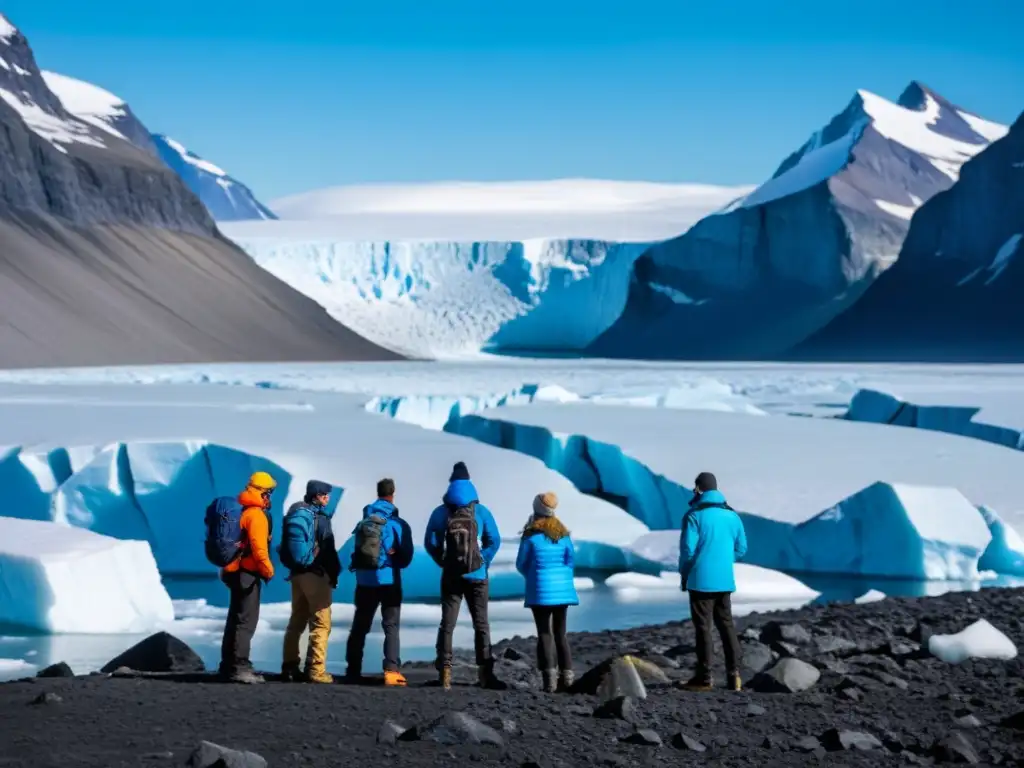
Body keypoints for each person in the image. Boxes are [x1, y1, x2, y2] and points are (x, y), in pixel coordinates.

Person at [424, 461, 505, 690]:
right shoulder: (480, 511)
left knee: (447, 624)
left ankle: (445, 674)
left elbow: (430, 542)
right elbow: (494, 540)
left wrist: (443, 560)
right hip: (478, 575)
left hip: (451, 574)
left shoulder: (440, 512)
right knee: (481, 624)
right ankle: (485, 674)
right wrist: (483, 560)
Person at [678, 471, 748, 692]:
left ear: (699, 488)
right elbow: (742, 549)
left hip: (700, 581)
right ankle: (734, 676)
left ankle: (704, 677)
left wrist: (685, 574)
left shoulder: (694, 516)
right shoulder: (732, 516)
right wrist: (724, 560)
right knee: (726, 626)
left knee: (703, 629)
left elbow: (688, 551)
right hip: (725, 581)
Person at [345, 478, 414, 686]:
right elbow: (406, 557)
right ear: (393, 493)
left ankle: (353, 670)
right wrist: (395, 556)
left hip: (365, 580)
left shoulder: (365, 520)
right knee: (390, 625)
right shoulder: (397, 524)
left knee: (360, 626)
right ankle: (391, 671)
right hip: (388, 580)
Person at [515, 492, 578, 693]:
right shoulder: (564, 535)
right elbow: (570, 562)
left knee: (544, 634)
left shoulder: (531, 536)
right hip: (563, 592)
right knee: (561, 634)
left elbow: (521, 564)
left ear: (536, 510)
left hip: (540, 591)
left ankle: (549, 681)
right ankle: (566, 679)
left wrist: (533, 577)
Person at [280, 480, 342, 684]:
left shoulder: (295, 512)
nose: (327, 497)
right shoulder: (320, 518)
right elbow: (329, 550)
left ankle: (289, 667)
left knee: (296, 621)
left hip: (296, 574)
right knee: (321, 623)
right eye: (324, 494)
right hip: (315, 575)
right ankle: (315, 670)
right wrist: (334, 574)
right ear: (316, 495)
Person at [219, 471, 276, 684]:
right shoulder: (256, 515)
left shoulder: (242, 511)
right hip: (248, 574)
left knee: (234, 619)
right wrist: (268, 570)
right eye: (269, 492)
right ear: (263, 492)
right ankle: (239, 666)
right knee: (246, 621)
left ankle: (228, 665)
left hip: (234, 572)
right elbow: (259, 549)